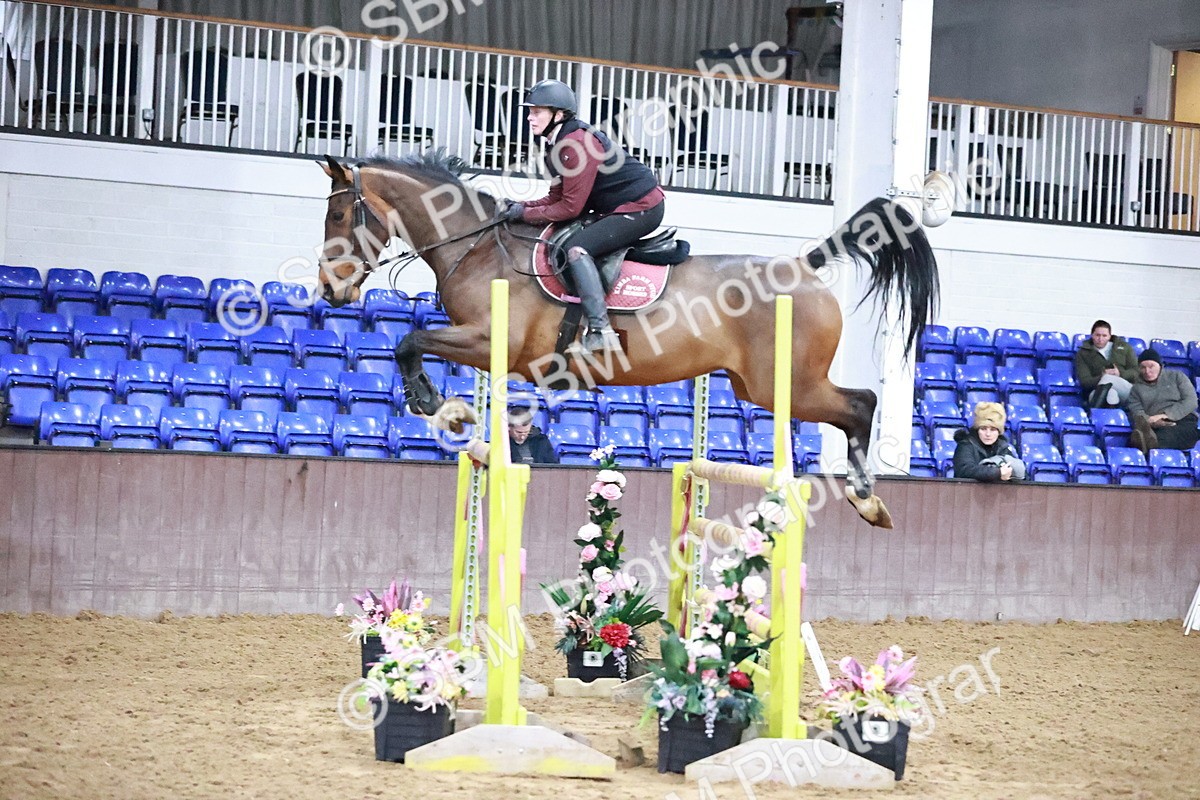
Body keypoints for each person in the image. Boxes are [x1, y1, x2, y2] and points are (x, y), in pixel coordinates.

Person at [500, 79, 666, 357]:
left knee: (577, 250)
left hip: (641, 207)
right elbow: (555, 199)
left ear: (559, 115)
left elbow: (569, 210)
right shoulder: (557, 147)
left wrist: (526, 214)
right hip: (614, 207)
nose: (529, 117)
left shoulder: (576, 144)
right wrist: (520, 207)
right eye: (530, 111)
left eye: (537, 111)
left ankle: (601, 330)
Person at [1125, 349, 1199, 455]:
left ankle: (1148, 445)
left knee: (1166, 436)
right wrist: (1150, 421)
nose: (1147, 371)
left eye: (1151, 366)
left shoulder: (1177, 377)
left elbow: (1191, 401)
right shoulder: (1136, 389)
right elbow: (1136, 411)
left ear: (1160, 366)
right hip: (1153, 425)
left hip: (1183, 420)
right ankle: (1146, 440)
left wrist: (1165, 415)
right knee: (1133, 440)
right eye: (1143, 367)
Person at [952, 402, 1026, 482]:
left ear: (999, 432)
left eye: (993, 429)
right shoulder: (966, 445)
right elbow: (965, 470)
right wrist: (997, 473)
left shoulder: (1003, 447)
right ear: (977, 430)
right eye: (983, 429)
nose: (988, 434)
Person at [1073, 319, 1139, 408]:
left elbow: (1136, 372)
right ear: (1092, 335)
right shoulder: (1083, 353)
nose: (1100, 339)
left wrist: (1120, 374)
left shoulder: (1125, 347)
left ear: (1109, 336)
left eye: (1104, 336)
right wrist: (1101, 376)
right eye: (1097, 335)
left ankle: (1092, 414)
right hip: (1096, 390)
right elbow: (1085, 382)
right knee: (1111, 393)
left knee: (1108, 378)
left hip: (1127, 391)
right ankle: (1112, 418)